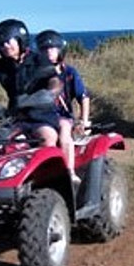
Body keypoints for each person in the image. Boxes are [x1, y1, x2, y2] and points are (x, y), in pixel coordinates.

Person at [0, 19, 61, 149]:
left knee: (47, 138)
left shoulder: (39, 60)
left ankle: (52, 169)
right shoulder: (3, 65)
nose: (5, 46)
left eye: (8, 41)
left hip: (41, 117)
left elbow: (54, 80)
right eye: (1, 44)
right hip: (15, 119)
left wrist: (49, 93)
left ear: (21, 40)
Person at [36, 29, 90, 184]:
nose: (49, 52)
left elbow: (83, 97)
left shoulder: (69, 73)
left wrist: (83, 120)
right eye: (44, 49)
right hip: (40, 117)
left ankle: (69, 171)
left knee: (64, 131)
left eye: (53, 48)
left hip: (62, 116)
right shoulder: (36, 74)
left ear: (61, 50)